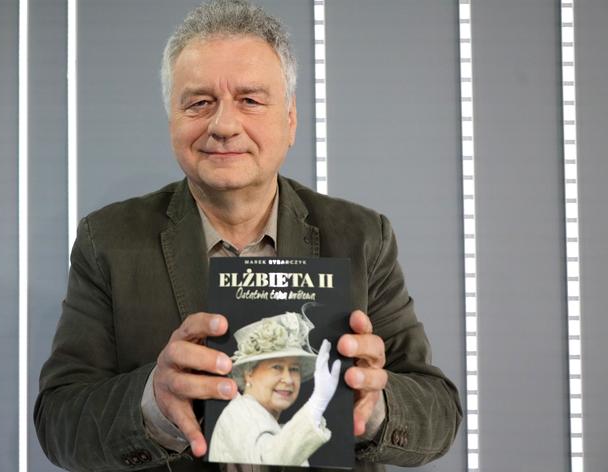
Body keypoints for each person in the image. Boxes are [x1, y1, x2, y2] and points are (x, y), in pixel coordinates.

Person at [34, 1, 462, 471]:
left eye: (250, 100)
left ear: (290, 121)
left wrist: (374, 405)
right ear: (172, 120)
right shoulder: (108, 241)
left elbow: (439, 412)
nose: (223, 125)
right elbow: (59, 420)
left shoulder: (362, 237)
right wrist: (153, 402)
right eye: (199, 102)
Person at [208, 311, 342, 467]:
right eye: (277, 367)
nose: (288, 379)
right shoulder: (238, 415)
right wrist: (317, 404)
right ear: (249, 373)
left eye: (294, 369)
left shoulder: (266, 422)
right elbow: (268, 463)